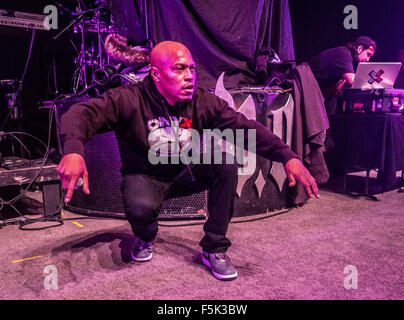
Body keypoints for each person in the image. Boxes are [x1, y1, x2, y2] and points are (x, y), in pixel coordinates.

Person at [57, 40, 319, 281]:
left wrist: (287, 156)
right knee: (141, 210)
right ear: (156, 74)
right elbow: (80, 113)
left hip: (186, 171)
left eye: (191, 69)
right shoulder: (128, 99)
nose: (189, 77)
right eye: (179, 69)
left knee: (225, 162)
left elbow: (244, 128)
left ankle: (214, 248)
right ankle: (145, 237)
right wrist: (73, 150)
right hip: (145, 176)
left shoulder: (202, 101)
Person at [308, 36, 377, 115]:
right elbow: (353, 80)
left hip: (315, 90)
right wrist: (375, 85)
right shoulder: (343, 54)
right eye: (368, 54)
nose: (368, 59)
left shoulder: (352, 59)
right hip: (305, 83)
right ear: (360, 49)